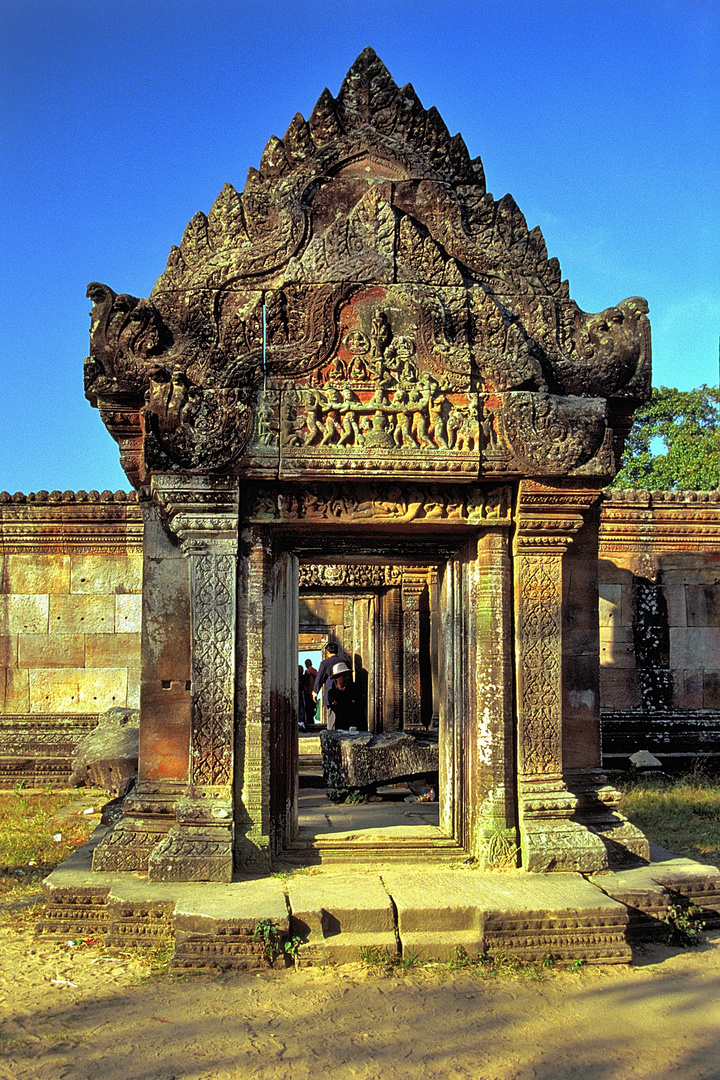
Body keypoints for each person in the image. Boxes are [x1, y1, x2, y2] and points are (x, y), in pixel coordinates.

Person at [313, 643, 350, 730]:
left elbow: (320, 678)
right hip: (344, 691)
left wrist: (315, 692)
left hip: (331, 692)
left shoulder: (325, 663)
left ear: (327, 652)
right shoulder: (345, 661)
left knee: (332, 716)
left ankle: (331, 735)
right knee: (344, 716)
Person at [326, 662, 359, 731]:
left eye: (347, 675)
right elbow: (336, 707)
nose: (346, 678)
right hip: (336, 727)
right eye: (343, 676)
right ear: (336, 678)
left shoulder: (353, 690)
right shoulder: (332, 693)